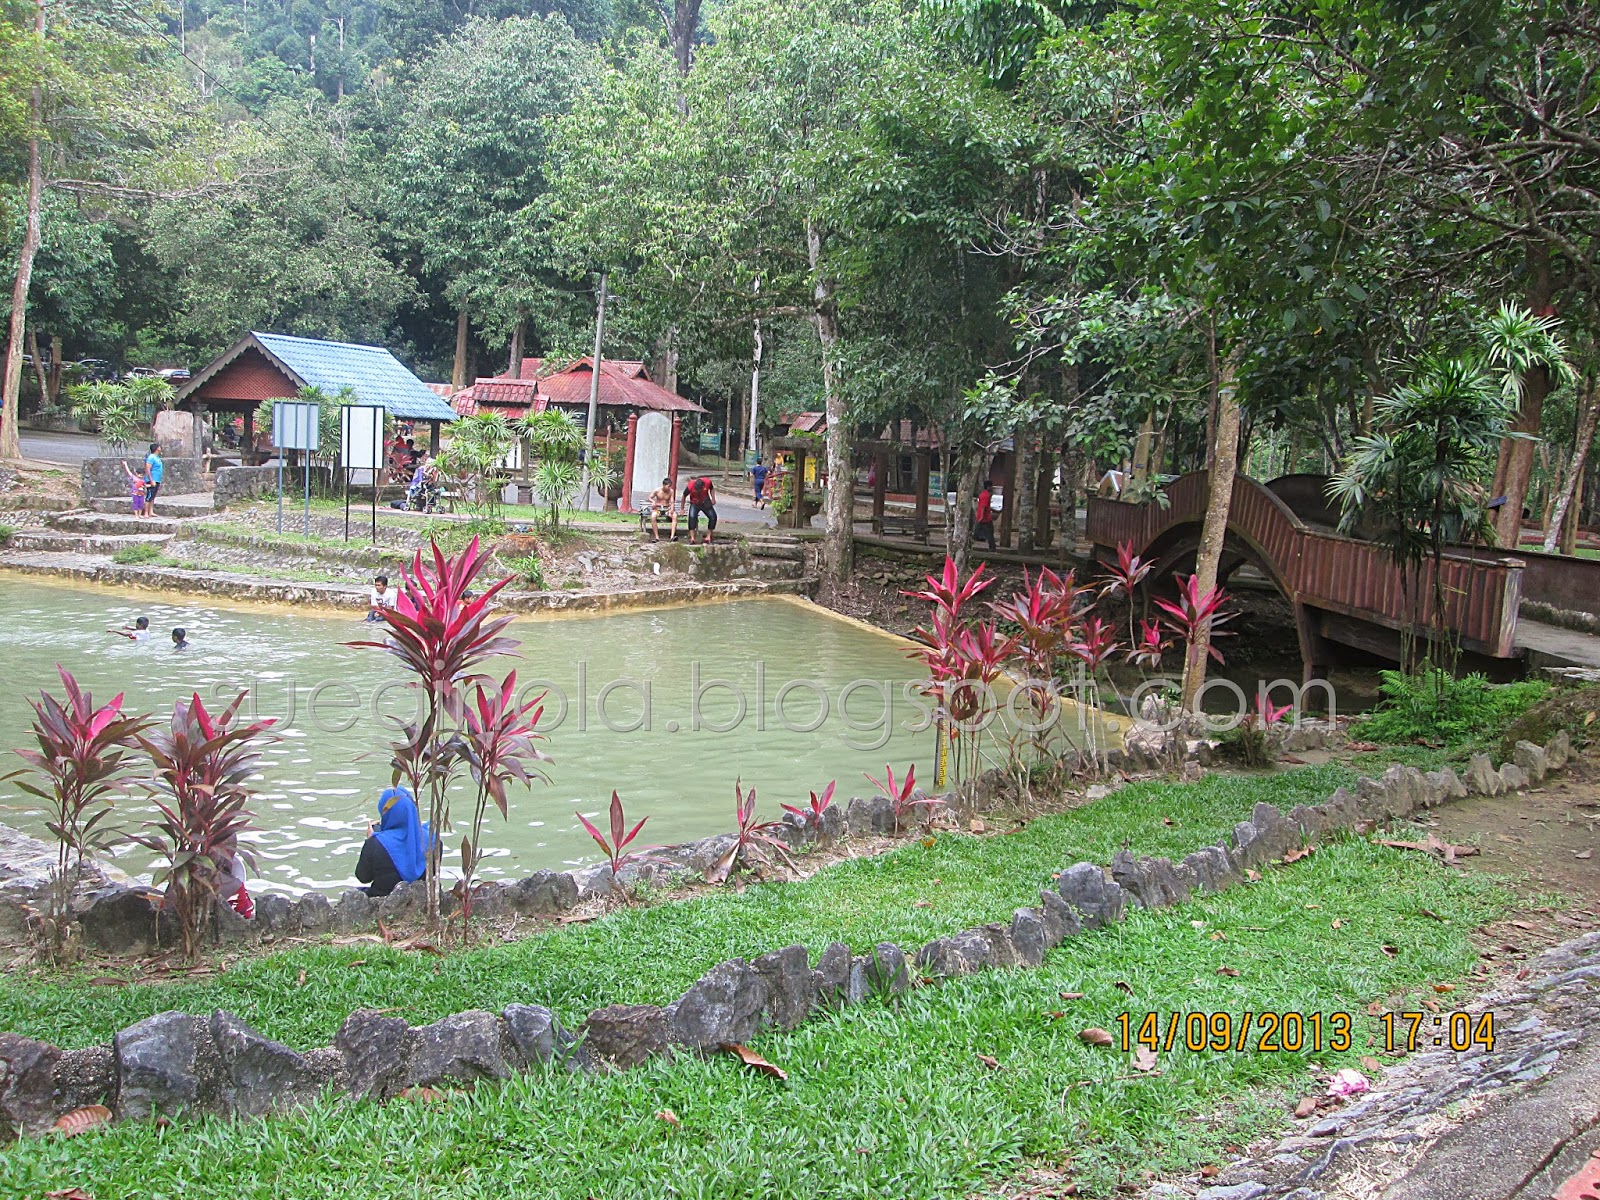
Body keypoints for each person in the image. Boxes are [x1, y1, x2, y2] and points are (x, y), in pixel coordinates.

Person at [355, 786, 429, 897]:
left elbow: (363, 877)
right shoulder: (433, 839)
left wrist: (370, 840)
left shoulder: (375, 843)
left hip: (382, 901)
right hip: (421, 897)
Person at [682, 474, 718, 545]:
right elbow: (684, 496)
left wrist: (713, 498)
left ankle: (708, 536)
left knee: (713, 516)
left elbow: (712, 489)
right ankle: (692, 538)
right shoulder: (690, 486)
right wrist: (682, 508)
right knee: (692, 517)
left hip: (705, 501)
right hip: (694, 503)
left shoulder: (707, 482)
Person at [646, 476, 678, 541]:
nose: (669, 488)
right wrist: (653, 502)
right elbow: (649, 497)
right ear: (664, 485)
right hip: (658, 508)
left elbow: (672, 501)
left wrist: (672, 508)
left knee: (674, 516)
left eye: (670, 486)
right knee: (653, 516)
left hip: (667, 508)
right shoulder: (657, 490)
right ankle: (657, 537)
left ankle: (672, 537)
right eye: (668, 486)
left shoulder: (671, 491)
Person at [975, 480, 997, 551]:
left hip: (983, 518)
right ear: (988, 487)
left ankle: (992, 547)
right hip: (985, 518)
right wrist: (981, 517)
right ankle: (992, 548)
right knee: (990, 534)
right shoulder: (986, 495)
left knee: (978, 532)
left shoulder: (982, 494)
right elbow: (983, 507)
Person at [143, 443, 164, 518]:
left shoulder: (157, 457)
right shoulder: (151, 457)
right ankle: (146, 512)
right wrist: (151, 480)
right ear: (156, 448)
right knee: (149, 496)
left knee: (153, 496)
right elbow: (148, 469)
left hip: (157, 479)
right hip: (152, 479)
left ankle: (151, 511)